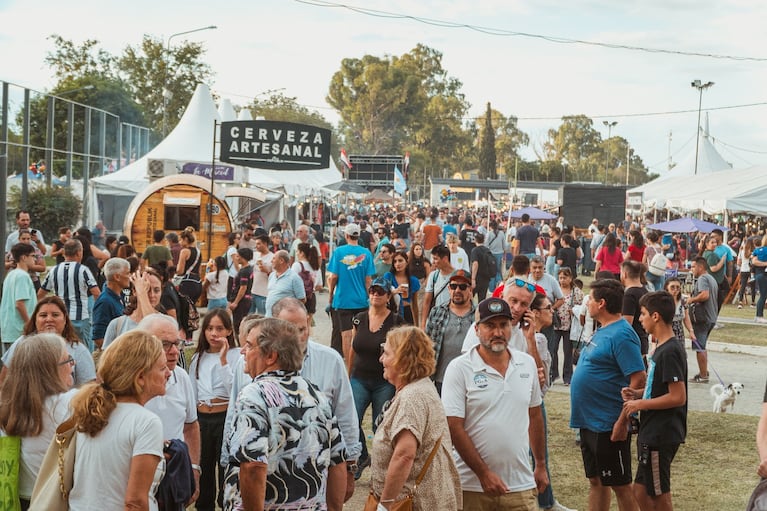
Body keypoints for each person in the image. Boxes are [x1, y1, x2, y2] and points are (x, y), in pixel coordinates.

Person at [222, 318, 347, 510]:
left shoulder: (254, 395)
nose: (242, 351)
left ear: (270, 356)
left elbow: (253, 466)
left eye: (249, 345)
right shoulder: (316, 394)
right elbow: (337, 462)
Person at [442, 297, 548, 510]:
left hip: (520, 485)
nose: (498, 332)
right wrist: (483, 474)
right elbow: (453, 426)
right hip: (470, 486)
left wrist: (541, 464)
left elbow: (535, 415)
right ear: (476, 329)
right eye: (490, 325)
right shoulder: (459, 368)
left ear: (512, 327)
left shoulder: (526, 364)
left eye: (503, 325)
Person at [67, 330, 169, 510]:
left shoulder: (91, 410)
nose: (168, 373)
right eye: (162, 368)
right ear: (140, 377)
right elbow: (135, 502)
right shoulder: (146, 422)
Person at [569, 278, 646, 511]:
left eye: (589, 299)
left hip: (608, 423)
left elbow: (638, 378)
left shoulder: (622, 334)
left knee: (620, 485)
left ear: (601, 303)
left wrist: (623, 421)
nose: (587, 304)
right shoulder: (603, 330)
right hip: (588, 421)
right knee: (596, 480)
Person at [371, 326, 462, 510]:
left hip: (412, 504)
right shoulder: (421, 387)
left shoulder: (412, 398)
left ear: (403, 360)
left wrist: (385, 505)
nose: (381, 359)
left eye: (386, 353)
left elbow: (404, 455)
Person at [620, 291, 688, 511]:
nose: (640, 319)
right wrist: (638, 394)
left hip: (661, 433)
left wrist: (640, 405)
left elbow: (678, 396)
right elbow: (659, 389)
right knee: (640, 492)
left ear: (656, 316)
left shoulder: (670, 351)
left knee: (659, 494)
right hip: (651, 431)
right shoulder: (660, 348)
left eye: (643, 314)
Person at [0, 333, 76, 509]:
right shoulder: (65, 405)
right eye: (67, 360)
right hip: (52, 499)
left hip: (19, 496)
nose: (73, 365)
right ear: (49, 370)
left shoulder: (6, 404)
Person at [139, 314, 202, 507]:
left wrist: (193, 470)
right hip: (139, 477)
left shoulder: (181, 377)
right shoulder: (128, 384)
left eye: (177, 343)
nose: (174, 351)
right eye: (165, 344)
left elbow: (190, 427)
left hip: (174, 476)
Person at [348, 277, 403, 479]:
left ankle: (381, 469)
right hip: (359, 377)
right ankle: (362, 456)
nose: (375, 295)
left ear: (388, 296)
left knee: (380, 426)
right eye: (373, 291)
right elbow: (353, 348)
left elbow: (401, 351)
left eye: (380, 292)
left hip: (384, 381)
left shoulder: (396, 321)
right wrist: (348, 373)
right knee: (352, 420)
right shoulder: (359, 318)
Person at [188, 309, 240, 511]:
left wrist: (224, 360)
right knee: (204, 466)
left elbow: (233, 389)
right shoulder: (198, 357)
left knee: (224, 466)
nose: (214, 333)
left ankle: (226, 503)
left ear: (228, 331)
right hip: (202, 419)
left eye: (219, 328)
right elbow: (192, 390)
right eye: (209, 328)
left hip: (224, 417)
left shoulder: (235, 356)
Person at [0, 295, 96, 388]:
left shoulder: (78, 350)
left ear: (65, 320)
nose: (49, 319)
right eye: (43, 315)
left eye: (55, 315)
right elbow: (4, 382)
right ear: (35, 320)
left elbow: (89, 391)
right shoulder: (22, 344)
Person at [38, 239, 101, 346]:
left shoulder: (54, 270)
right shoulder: (83, 270)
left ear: (64, 253)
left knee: (62, 348)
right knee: (82, 348)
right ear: (78, 252)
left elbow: (40, 294)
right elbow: (96, 292)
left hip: (61, 317)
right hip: (80, 317)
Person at [327, 223, 375, 361]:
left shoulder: (339, 252)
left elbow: (333, 277)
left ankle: (349, 366)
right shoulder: (366, 253)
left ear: (346, 235)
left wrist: (331, 295)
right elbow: (368, 280)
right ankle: (359, 363)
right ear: (358, 236)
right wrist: (369, 297)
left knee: (346, 334)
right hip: (361, 300)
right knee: (360, 334)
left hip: (343, 300)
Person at [425, 270, 476, 395]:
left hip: (471, 380)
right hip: (441, 380)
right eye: (453, 286)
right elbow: (426, 345)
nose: (457, 290)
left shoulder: (479, 316)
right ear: (449, 288)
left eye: (463, 287)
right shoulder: (436, 312)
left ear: (470, 290)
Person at [103, 268, 164, 348]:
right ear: (135, 291)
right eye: (147, 289)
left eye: (156, 290)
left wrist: (142, 292)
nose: (152, 295)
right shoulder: (117, 324)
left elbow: (152, 326)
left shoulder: (166, 322)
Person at [686, 257, 718, 384]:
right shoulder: (711, 278)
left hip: (702, 318)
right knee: (702, 345)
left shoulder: (702, 279)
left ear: (700, 267)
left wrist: (691, 300)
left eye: (693, 267)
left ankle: (703, 375)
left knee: (700, 347)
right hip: (710, 317)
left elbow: (705, 295)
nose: (691, 269)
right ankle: (703, 371)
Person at [1, 243, 37, 352]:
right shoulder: (22, 276)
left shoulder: (11, 275)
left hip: (9, 330)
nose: (34, 259)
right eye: (32, 256)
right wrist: (29, 324)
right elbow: (19, 303)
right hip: (18, 331)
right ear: (24, 257)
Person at [550, 267, 582, 386]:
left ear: (570, 278)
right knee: (553, 349)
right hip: (556, 325)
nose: (562, 280)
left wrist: (574, 311)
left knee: (568, 352)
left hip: (569, 326)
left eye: (565, 277)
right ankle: (553, 374)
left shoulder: (576, 292)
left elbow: (582, 307)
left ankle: (567, 376)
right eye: (561, 278)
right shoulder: (556, 290)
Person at [91, 257, 131, 351]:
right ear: (117, 277)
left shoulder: (118, 295)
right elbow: (98, 338)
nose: (130, 277)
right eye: (127, 273)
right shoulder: (105, 302)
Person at [420, 244, 455, 329]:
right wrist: (423, 323)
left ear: (445, 259)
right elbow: (427, 301)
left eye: (435, 259)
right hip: (437, 319)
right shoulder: (433, 276)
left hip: (453, 319)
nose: (433, 262)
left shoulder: (457, 276)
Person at [621, 260, 650, 359]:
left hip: (632, 342)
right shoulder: (645, 291)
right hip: (643, 339)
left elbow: (627, 324)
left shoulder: (629, 295)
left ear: (624, 274)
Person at [383, 250, 420, 325]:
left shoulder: (413, 280)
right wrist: (394, 291)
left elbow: (415, 305)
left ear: (406, 262)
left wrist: (417, 324)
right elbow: (382, 294)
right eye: (395, 261)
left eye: (400, 261)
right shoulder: (388, 277)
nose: (397, 264)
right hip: (392, 311)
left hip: (407, 312)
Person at [265, 249, 306, 317]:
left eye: (274, 259)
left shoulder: (294, 278)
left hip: (284, 320)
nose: (271, 261)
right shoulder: (272, 275)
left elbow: (301, 299)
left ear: (281, 260)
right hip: (269, 316)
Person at [228, 247, 254, 334]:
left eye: (238, 256)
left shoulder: (244, 271)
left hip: (242, 301)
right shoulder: (248, 269)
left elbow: (243, 287)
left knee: (238, 325)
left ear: (243, 257)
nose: (236, 258)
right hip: (245, 299)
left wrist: (235, 302)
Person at [664, 277, 695, 345]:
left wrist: (691, 331)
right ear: (667, 287)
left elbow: (686, 317)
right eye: (672, 287)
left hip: (679, 331)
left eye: (678, 287)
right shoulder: (662, 301)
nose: (675, 290)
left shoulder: (683, 300)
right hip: (665, 331)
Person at [249, 234, 274, 316]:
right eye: (256, 244)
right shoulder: (255, 255)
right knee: (249, 317)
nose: (256, 246)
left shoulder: (272, 257)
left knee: (263, 318)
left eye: (259, 244)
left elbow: (275, 276)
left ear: (265, 244)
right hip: (253, 291)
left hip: (264, 294)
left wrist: (267, 271)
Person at [175, 231, 202, 303]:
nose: (179, 243)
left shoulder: (184, 251)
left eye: (180, 240)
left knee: (184, 309)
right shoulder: (199, 252)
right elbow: (199, 271)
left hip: (187, 283)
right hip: (197, 283)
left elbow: (180, 271)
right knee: (192, 308)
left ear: (186, 239)